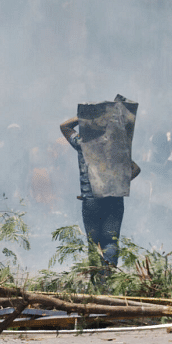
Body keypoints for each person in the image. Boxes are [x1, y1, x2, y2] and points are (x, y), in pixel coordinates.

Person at [60, 104, 140, 270]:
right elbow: (136, 169)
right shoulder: (117, 144)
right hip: (114, 198)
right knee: (111, 241)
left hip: (91, 199)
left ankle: (98, 282)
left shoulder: (84, 143)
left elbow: (64, 127)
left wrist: (88, 115)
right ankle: (110, 279)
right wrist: (119, 183)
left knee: (94, 242)